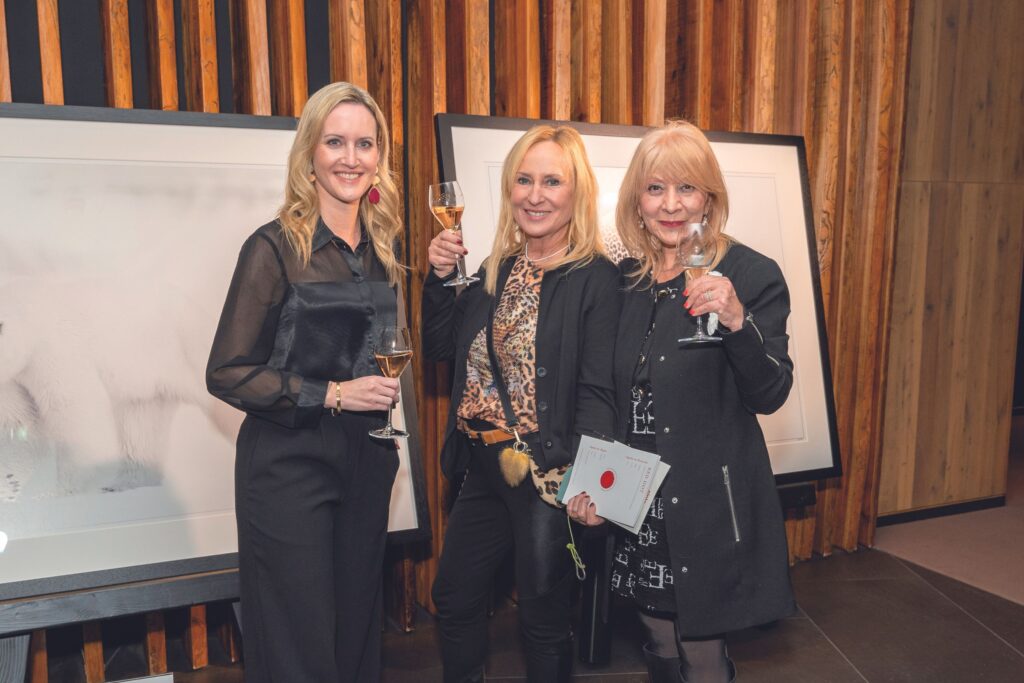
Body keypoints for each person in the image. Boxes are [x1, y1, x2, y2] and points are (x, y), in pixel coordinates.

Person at [566, 121, 796, 682]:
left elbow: (772, 391)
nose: (671, 205)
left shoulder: (750, 273)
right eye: (655, 189)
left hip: (706, 499)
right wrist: (594, 484)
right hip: (636, 495)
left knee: (700, 646)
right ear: (637, 201)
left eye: (686, 188)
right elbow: (602, 390)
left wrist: (739, 323)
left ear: (709, 198)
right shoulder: (624, 281)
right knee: (656, 633)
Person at [206, 82, 404, 683]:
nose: (351, 157)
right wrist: (336, 394)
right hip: (289, 465)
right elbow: (228, 370)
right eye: (335, 142)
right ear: (309, 156)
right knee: (300, 643)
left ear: (379, 157)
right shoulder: (272, 247)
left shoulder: (382, 250)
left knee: (356, 636)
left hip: (366, 462)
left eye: (364, 143)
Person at [422, 124, 622, 682]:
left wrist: (593, 481)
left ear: (576, 192)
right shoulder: (497, 268)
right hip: (484, 464)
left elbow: (599, 391)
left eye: (552, 181)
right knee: (455, 596)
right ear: (510, 189)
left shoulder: (596, 279)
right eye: (524, 180)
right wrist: (439, 279)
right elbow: (442, 349)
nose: (535, 195)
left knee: (542, 616)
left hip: (546, 472)